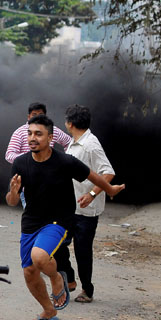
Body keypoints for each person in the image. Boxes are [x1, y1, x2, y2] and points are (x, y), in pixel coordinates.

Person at [5, 114, 124, 320]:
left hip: (58, 220)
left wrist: (110, 188)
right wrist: (13, 193)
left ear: (50, 138)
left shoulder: (65, 161)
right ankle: (48, 310)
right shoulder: (21, 163)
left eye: (38, 134)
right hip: (31, 222)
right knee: (29, 272)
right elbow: (12, 202)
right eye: (30, 133)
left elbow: (94, 176)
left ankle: (57, 278)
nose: (32, 138)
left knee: (40, 258)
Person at [53, 105, 116, 303]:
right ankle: (69, 279)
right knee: (58, 245)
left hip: (86, 210)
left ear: (70, 123)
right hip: (69, 207)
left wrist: (91, 193)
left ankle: (87, 290)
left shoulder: (90, 144)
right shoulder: (74, 143)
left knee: (82, 251)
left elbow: (109, 172)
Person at [5, 102, 72, 164]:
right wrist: (29, 158)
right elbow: (9, 155)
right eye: (34, 115)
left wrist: (64, 160)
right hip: (27, 172)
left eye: (41, 115)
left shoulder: (53, 130)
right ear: (28, 117)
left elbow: (69, 143)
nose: (37, 117)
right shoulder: (20, 132)